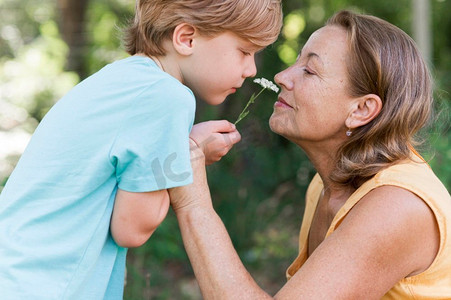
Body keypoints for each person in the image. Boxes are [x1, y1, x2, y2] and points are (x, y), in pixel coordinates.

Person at [0, 0, 282, 299]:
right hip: (44, 287)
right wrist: (192, 152)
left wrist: (181, 145)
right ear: (186, 38)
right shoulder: (167, 97)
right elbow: (132, 229)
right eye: (244, 51)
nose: (251, 69)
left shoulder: (123, 79)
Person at [169, 10, 451, 299]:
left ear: (361, 110)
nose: (281, 77)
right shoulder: (325, 186)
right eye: (297, 62)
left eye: (310, 71)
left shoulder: (398, 206)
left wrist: (193, 202)